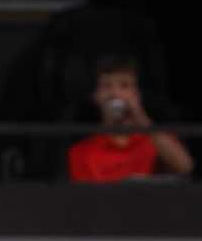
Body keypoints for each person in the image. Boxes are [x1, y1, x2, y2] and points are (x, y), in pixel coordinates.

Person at [66, 54, 192, 184]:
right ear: (95, 96)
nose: (115, 93)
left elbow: (185, 167)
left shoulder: (156, 141)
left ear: (136, 94)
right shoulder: (81, 151)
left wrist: (141, 119)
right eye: (106, 86)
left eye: (124, 86)